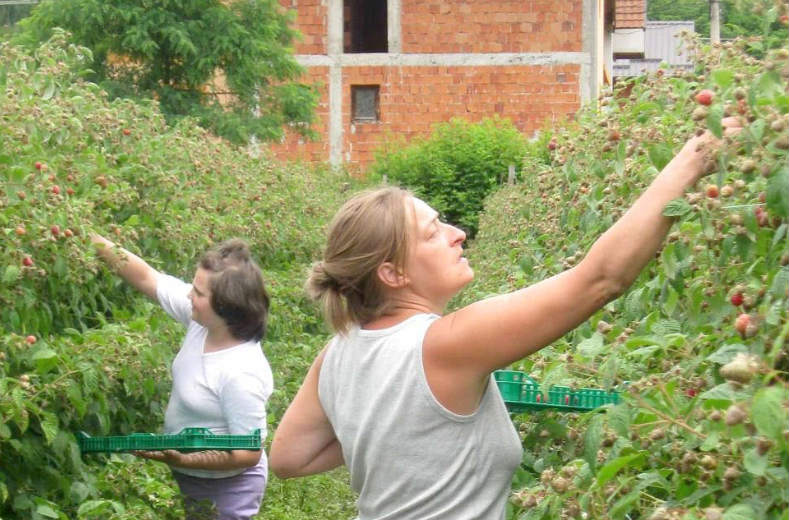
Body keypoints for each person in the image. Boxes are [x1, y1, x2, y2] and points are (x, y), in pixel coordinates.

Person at [268, 119, 741, 519]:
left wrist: (394, 434)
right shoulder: (446, 344)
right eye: (434, 232)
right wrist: (696, 157)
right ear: (391, 273)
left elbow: (288, 457)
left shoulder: (338, 352)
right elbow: (600, 280)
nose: (459, 233)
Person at [92, 234, 273, 520]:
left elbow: (248, 453)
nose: (190, 295)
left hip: (226, 489)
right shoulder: (203, 323)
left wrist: (187, 458)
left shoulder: (241, 372)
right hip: (187, 475)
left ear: (226, 308)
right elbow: (146, 277)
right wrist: (90, 238)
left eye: (199, 293)